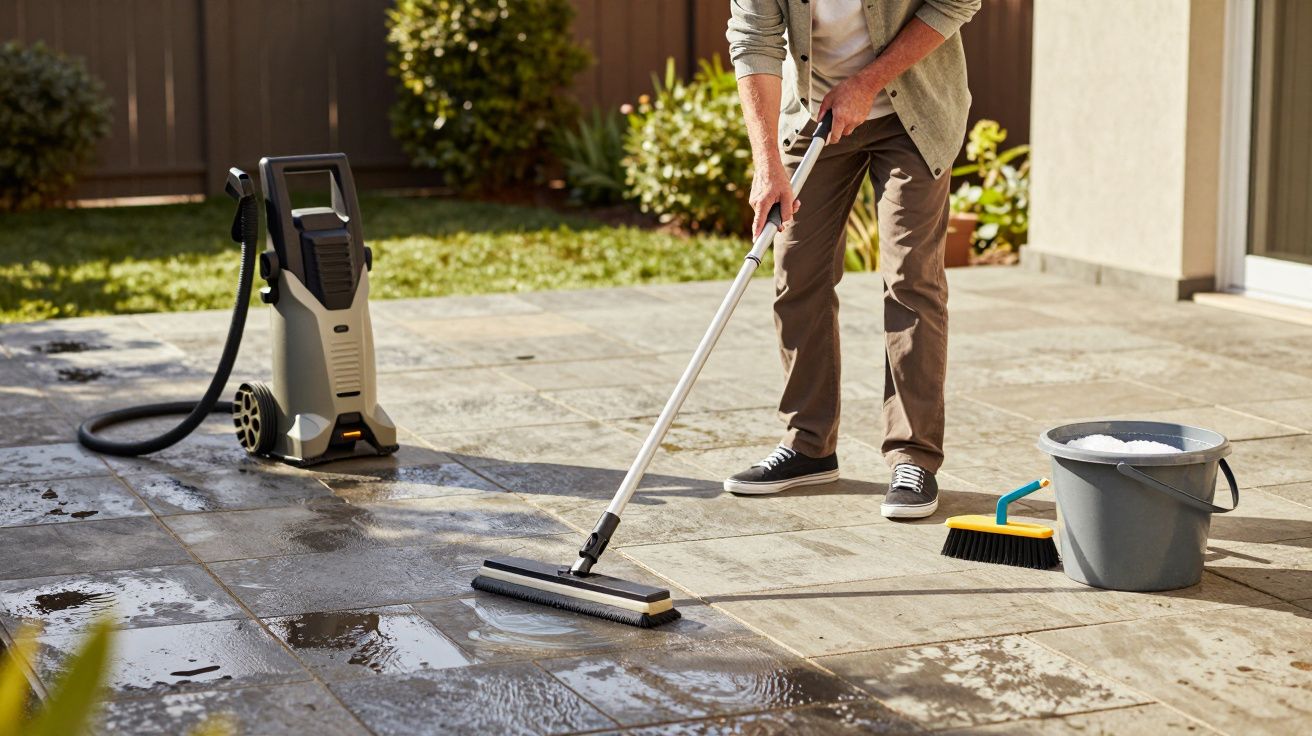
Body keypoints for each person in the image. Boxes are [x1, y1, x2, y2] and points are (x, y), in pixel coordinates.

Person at [722, 0, 980, 519]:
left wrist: (866, 82)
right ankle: (808, 446)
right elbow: (754, 42)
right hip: (815, 115)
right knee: (797, 273)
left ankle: (914, 455)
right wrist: (768, 162)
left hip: (915, 112)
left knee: (911, 280)